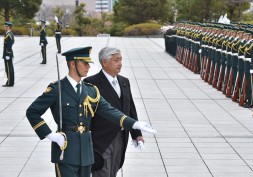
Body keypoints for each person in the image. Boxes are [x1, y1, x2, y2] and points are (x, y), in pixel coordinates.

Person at [26, 46, 156, 177]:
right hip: (66, 148)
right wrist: (49, 134)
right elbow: (32, 112)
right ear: (72, 64)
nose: (88, 66)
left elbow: (109, 110)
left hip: (86, 150)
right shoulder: (57, 89)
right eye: (85, 63)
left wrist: (134, 124)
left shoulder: (90, 90)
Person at [84, 47, 144, 177]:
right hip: (102, 138)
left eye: (121, 59)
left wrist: (136, 133)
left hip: (121, 136)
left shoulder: (124, 81)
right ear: (104, 62)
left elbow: (130, 108)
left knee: (113, 170)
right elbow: (88, 115)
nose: (120, 63)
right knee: (102, 172)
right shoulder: (91, 83)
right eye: (116, 60)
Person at [2, 22, 15, 87]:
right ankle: (10, 81)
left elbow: (9, 45)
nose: (4, 27)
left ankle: (10, 82)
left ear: (8, 27)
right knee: (9, 68)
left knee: (9, 69)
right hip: (8, 53)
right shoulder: (9, 34)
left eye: (5, 26)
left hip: (8, 54)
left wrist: (7, 54)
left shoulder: (8, 35)